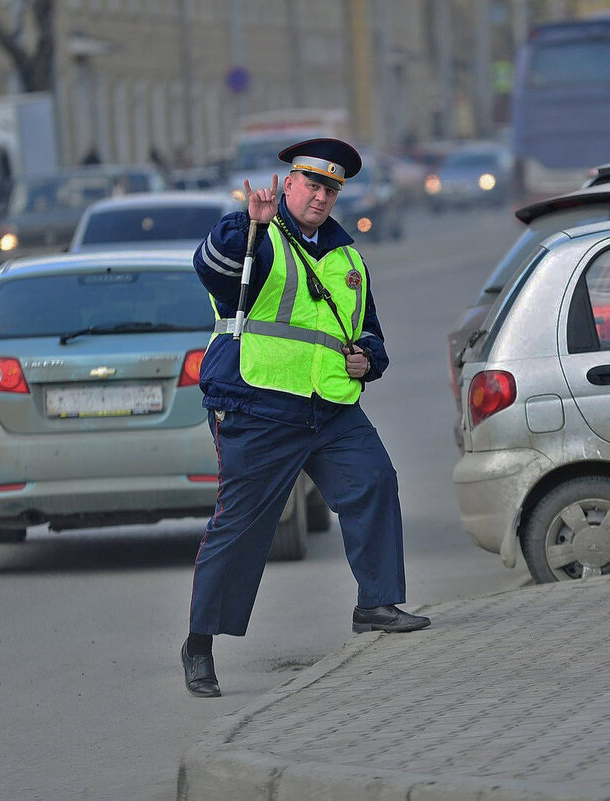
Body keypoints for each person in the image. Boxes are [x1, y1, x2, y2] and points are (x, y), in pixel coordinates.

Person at [181, 137, 430, 698]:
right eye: (311, 185)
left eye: (330, 189)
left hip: (331, 408)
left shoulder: (347, 258)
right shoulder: (257, 239)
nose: (320, 196)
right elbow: (212, 271)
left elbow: (368, 333)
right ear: (288, 185)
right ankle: (199, 646)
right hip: (259, 404)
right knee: (241, 526)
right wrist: (246, 226)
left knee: (374, 481)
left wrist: (368, 360)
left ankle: (377, 604)